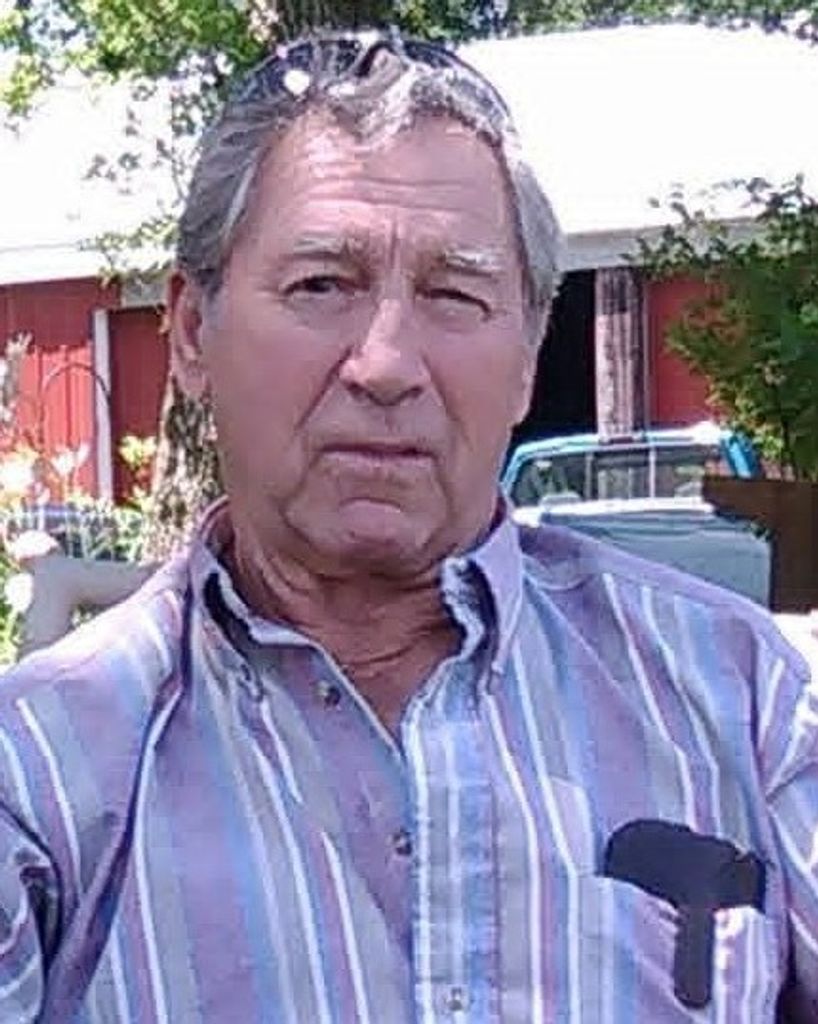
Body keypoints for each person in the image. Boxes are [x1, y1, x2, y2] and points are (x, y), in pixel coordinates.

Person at [0, 29, 816, 1023]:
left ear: (527, 358)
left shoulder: (737, 699)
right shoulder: (40, 775)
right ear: (192, 332)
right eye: (320, 285)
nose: (385, 363)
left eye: (454, 294)